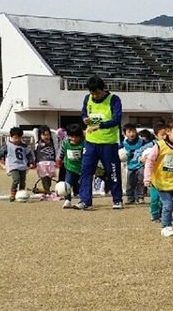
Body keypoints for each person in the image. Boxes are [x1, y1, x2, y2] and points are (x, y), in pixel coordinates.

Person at [77, 76, 123, 210]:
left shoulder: (114, 99)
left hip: (108, 142)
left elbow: (117, 119)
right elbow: (84, 112)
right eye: (92, 93)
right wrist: (85, 118)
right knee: (86, 171)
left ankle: (117, 199)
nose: (94, 96)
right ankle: (85, 201)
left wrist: (100, 126)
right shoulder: (87, 98)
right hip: (91, 142)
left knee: (112, 172)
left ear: (102, 90)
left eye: (96, 93)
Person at [135, 121, 166, 222]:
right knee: (154, 198)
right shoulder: (150, 146)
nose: (165, 137)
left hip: (167, 177)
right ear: (156, 135)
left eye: (167, 134)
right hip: (154, 177)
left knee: (164, 199)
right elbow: (137, 153)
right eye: (163, 134)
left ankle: (162, 214)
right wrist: (141, 158)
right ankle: (154, 214)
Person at [0, 127, 35, 202]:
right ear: (11, 137)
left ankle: (21, 194)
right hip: (12, 165)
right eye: (15, 138)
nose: (17, 140)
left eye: (19, 138)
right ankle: (12, 194)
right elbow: (1, 153)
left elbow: (29, 154)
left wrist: (31, 162)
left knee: (23, 181)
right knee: (16, 179)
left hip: (22, 165)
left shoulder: (24, 145)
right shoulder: (7, 145)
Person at [58, 124, 84, 209]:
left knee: (82, 185)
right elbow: (61, 152)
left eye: (76, 137)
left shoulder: (84, 144)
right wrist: (59, 159)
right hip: (69, 167)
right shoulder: (65, 143)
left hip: (81, 168)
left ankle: (82, 200)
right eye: (71, 137)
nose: (74, 139)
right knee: (67, 184)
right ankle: (67, 200)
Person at [122, 123, 145, 205]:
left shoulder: (141, 142)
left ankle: (140, 197)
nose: (132, 134)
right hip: (130, 166)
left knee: (141, 180)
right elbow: (122, 153)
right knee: (130, 182)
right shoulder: (124, 144)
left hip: (140, 165)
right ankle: (130, 197)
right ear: (125, 133)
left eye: (133, 131)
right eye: (129, 132)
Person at [34, 125, 58, 200]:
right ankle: (49, 193)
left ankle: (45, 193)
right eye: (44, 135)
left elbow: (55, 134)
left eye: (48, 135)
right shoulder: (38, 142)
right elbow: (35, 130)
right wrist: (42, 129)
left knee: (49, 180)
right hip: (41, 163)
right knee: (44, 178)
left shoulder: (52, 142)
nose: (46, 137)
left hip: (51, 162)